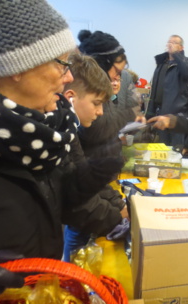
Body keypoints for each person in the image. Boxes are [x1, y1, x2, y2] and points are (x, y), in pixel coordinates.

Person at [0, 0, 123, 301]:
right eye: (61, 63)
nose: (69, 76)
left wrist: (89, 186)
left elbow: (59, 200)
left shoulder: (51, 127)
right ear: (17, 67)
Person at [61, 53, 129, 262]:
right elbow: (76, 200)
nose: (100, 112)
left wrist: (118, 203)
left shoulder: (68, 129)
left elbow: (84, 174)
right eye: (96, 103)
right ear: (70, 98)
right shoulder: (60, 132)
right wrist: (116, 216)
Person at [77, 30, 142, 157]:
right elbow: (98, 130)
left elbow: (132, 108)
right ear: (101, 67)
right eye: (117, 72)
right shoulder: (82, 87)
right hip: (90, 160)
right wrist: (130, 114)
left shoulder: (119, 81)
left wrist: (113, 96)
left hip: (110, 156)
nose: (119, 77)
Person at [146, 35, 188, 147]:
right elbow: (154, 89)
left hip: (178, 116)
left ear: (181, 48)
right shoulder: (161, 65)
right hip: (161, 113)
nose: (170, 44)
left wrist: (176, 55)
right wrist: (149, 113)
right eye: (169, 42)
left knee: (176, 150)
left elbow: (187, 72)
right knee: (163, 148)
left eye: (174, 42)